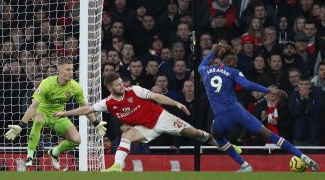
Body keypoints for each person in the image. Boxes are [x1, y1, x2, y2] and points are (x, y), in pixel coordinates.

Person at [53, 72, 240, 172]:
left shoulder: (134, 90)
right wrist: (64, 114)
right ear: (109, 87)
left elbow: (157, 97)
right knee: (126, 134)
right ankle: (117, 166)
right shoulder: (107, 103)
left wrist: (176, 103)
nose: (121, 86)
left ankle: (223, 144)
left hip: (162, 118)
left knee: (197, 134)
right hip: (145, 128)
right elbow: (86, 109)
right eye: (117, 84)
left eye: (121, 82)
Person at [198, 44, 319, 172]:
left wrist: (212, 52)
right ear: (228, 60)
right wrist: (268, 90)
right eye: (234, 61)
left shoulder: (205, 70)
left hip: (220, 116)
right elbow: (247, 84)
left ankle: (244, 165)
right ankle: (302, 156)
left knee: (218, 137)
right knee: (270, 136)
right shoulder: (233, 71)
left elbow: (201, 65)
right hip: (237, 112)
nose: (236, 63)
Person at [4, 57, 107, 169]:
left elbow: (85, 108)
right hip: (42, 111)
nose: (71, 72)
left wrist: (96, 123)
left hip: (58, 115)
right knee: (38, 120)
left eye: (72, 69)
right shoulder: (47, 83)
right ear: (59, 70)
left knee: (77, 140)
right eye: (68, 69)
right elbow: (34, 106)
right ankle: (30, 155)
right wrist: (21, 125)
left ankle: (54, 152)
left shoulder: (75, 87)